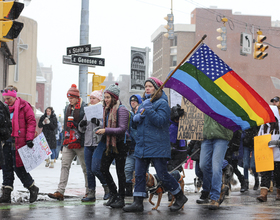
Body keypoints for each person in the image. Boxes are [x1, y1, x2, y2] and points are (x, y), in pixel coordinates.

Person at [123, 77, 188, 213]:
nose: (147, 88)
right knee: (140, 174)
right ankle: (138, 202)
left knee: (162, 174)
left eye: (150, 86)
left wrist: (150, 110)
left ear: (157, 88)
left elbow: (161, 121)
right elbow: (138, 124)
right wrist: (135, 120)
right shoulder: (144, 103)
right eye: (145, 86)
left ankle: (179, 196)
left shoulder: (162, 103)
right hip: (142, 145)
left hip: (157, 145)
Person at [48, 84, 89, 201]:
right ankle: (60, 191)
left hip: (80, 142)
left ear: (77, 97)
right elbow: (65, 127)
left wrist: (75, 125)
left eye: (71, 98)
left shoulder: (84, 107)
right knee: (64, 166)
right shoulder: (67, 108)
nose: (69, 100)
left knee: (85, 168)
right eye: (68, 98)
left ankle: (89, 191)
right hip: (68, 141)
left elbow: (86, 126)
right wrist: (62, 144)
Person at [0, 85, 39, 203]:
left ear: (14, 97)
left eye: (9, 99)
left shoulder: (24, 106)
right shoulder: (3, 108)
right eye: (5, 99)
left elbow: (31, 122)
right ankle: (6, 193)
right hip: (6, 141)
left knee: (18, 167)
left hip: (19, 142)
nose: (6, 101)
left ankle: (32, 187)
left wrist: (29, 138)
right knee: (6, 167)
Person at [96, 83, 129, 208]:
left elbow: (122, 129)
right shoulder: (107, 110)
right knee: (103, 168)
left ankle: (121, 198)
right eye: (105, 97)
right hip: (110, 144)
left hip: (120, 144)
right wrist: (102, 130)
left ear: (114, 98)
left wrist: (105, 130)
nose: (106, 100)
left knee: (120, 172)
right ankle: (113, 194)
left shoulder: (122, 109)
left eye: (108, 97)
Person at [78, 89, 110, 202]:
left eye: (93, 98)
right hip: (88, 143)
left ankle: (107, 187)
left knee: (96, 168)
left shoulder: (103, 110)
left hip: (98, 142)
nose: (91, 100)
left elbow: (106, 125)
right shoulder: (87, 111)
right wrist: (81, 125)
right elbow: (82, 129)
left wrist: (99, 123)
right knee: (89, 170)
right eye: (90, 98)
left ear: (99, 99)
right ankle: (91, 193)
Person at [198, 114, 233, 210]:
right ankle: (220, 186)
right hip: (207, 136)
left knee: (216, 166)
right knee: (203, 165)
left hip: (222, 136)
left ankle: (215, 197)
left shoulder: (226, 101)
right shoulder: (206, 100)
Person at [257, 105, 280, 202]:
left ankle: (279, 192)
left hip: (278, 154)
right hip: (266, 154)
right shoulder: (264, 125)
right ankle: (263, 194)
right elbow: (259, 136)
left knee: (278, 174)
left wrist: (277, 142)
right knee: (265, 174)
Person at [124, 94, 142, 197]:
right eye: (131, 101)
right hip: (131, 149)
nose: (133, 102)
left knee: (141, 171)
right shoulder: (130, 115)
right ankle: (128, 190)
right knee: (128, 169)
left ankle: (142, 189)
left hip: (141, 148)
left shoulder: (143, 113)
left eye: (135, 100)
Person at [240, 126, 260, 192]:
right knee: (245, 165)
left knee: (253, 166)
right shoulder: (245, 120)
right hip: (246, 145)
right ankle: (246, 183)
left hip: (255, 145)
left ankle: (256, 179)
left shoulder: (256, 122)